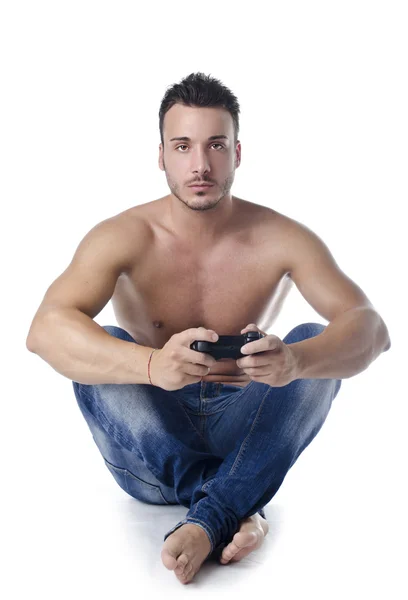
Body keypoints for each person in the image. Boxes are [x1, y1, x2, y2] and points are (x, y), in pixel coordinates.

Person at [26, 72, 391, 585]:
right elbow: (44, 331)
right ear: (161, 155)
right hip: (149, 439)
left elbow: (372, 330)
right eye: (183, 146)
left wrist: (294, 362)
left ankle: (213, 508)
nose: (200, 164)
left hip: (242, 426)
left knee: (313, 338)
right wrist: (152, 365)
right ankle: (233, 507)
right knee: (102, 343)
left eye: (216, 145)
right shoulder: (122, 235)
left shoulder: (281, 236)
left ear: (237, 153)